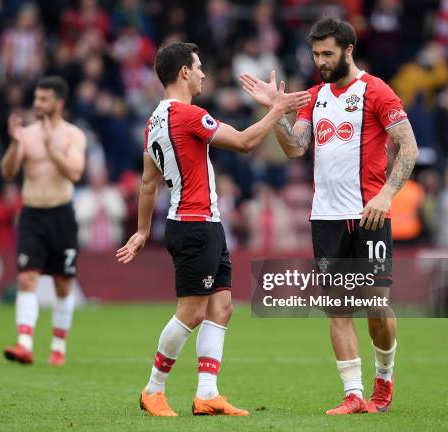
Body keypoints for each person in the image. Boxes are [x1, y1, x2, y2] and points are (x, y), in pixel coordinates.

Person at [116, 42, 310, 417]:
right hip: (194, 225)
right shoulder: (188, 116)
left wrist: (142, 231)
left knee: (221, 307)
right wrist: (278, 109)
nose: (204, 73)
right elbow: (244, 142)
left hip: (204, 223)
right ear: (184, 73)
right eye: (199, 66)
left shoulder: (155, 120)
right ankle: (153, 390)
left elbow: (147, 181)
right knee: (190, 312)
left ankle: (207, 394)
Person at [240, 18, 419, 415]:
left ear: (348, 50)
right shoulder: (317, 96)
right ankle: (354, 394)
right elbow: (295, 148)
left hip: (369, 215)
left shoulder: (377, 92)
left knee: (376, 307)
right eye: (316, 54)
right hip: (325, 219)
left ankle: (384, 377)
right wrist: (277, 112)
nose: (320, 61)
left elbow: (409, 148)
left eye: (327, 54)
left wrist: (387, 195)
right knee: (337, 308)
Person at [0, 76, 86, 366]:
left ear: (58, 103)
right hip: (32, 214)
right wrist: (14, 144)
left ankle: (58, 347)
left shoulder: (73, 135)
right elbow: (9, 172)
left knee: (63, 284)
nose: (37, 104)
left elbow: (75, 173)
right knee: (27, 277)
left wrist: (51, 148)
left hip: (61, 214)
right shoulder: (26, 134)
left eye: (43, 99)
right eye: (36, 98)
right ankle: (24, 343)